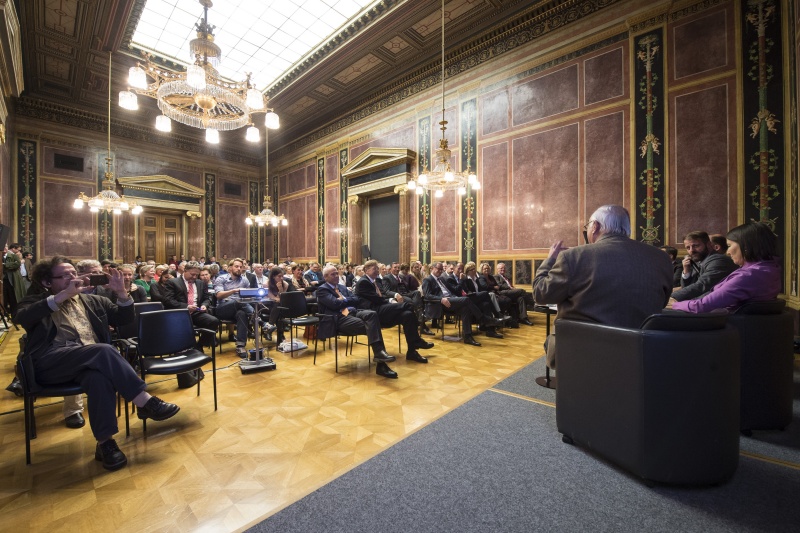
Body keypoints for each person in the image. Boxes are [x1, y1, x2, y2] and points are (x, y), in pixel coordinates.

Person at [15, 256, 180, 470]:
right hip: (50, 364)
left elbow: (123, 318)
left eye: (74, 273)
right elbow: (22, 317)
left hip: (88, 363)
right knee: (103, 350)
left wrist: (121, 292)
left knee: (98, 378)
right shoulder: (35, 302)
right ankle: (145, 402)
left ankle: (105, 444)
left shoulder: (92, 301)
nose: (73, 278)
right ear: (47, 282)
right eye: (65, 276)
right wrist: (64, 295)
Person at [532, 205, 673, 369]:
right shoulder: (661, 258)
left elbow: (540, 294)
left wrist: (550, 260)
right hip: (640, 353)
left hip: (581, 353)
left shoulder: (574, 256)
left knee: (550, 342)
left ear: (595, 226)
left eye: (588, 226)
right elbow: (661, 302)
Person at [672, 222, 781, 313]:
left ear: (746, 246)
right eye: (688, 247)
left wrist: (675, 304)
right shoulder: (765, 269)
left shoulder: (749, 275)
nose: (727, 252)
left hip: (724, 325)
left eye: (729, 246)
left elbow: (702, 304)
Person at [317, 265, 398, 378]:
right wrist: (346, 301)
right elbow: (334, 304)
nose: (336, 276)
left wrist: (343, 299)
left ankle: (380, 357)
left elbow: (356, 299)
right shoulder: (322, 290)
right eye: (333, 274)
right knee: (372, 325)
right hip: (338, 319)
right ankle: (381, 364)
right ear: (325, 277)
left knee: (372, 315)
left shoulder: (342, 287)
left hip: (353, 312)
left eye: (336, 273)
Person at [355, 260, 433, 362]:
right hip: (372, 311)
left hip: (380, 308)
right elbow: (377, 299)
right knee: (407, 305)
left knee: (408, 315)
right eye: (374, 269)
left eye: (377, 269)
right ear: (366, 270)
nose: (377, 271)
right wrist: (391, 301)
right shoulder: (364, 282)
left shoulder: (375, 281)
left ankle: (412, 352)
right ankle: (418, 337)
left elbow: (381, 296)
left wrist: (390, 301)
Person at [423, 261, 499, 346]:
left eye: (441, 269)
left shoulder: (441, 279)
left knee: (465, 309)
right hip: (441, 304)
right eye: (438, 269)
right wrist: (441, 299)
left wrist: (457, 295)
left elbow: (452, 290)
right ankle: (483, 319)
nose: (440, 271)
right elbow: (427, 296)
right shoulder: (427, 280)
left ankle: (468, 337)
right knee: (466, 300)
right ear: (432, 268)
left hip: (452, 299)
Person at [163, 261, 219, 350]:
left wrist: (205, 305)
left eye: (196, 275)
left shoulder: (200, 283)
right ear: (185, 270)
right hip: (179, 313)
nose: (194, 277)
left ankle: (198, 346)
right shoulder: (173, 282)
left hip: (196, 312)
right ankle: (184, 348)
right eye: (192, 274)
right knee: (185, 329)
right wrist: (186, 306)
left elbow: (207, 298)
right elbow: (168, 300)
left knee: (214, 321)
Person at [672, 230, 738, 301]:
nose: (691, 250)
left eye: (696, 246)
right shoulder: (698, 260)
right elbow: (687, 287)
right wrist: (686, 271)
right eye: (688, 248)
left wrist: (670, 297)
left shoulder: (719, 260)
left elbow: (701, 286)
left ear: (709, 244)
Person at [213, 258, 255, 357]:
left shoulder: (244, 280)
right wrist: (234, 291)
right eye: (236, 266)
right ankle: (258, 319)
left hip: (240, 308)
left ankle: (240, 346)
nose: (239, 269)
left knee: (242, 313)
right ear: (230, 268)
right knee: (238, 301)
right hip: (223, 308)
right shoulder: (221, 278)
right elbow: (218, 295)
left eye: (241, 267)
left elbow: (248, 296)